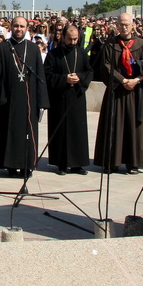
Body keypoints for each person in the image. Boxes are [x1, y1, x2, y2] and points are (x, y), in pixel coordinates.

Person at [93, 13, 143, 174]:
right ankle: (112, 161)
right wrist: (122, 81)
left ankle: (133, 163)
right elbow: (105, 67)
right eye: (121, 24)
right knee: (114, 125)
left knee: (133, 127)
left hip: (136, 92)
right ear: (116, 25)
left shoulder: (142, 44)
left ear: (133, 25)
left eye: (127, 24)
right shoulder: (110, 44)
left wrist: (136, 80)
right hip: (117, 91)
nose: (124, 27)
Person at [0, 16, 49, 178]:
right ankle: (9, 165)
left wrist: (42, 101)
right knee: (8, 132)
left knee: (27, 134)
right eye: (16, 26)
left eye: (22, 26)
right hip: (8, 99)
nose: (19, 29)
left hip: (29, 100)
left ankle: (26, 165)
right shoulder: (2, 48)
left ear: (27, 28)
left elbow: (40, 75)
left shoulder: (33, 48)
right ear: (11, 27)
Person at [44, 25, 92, 175]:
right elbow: (47, 75)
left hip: (76, 97)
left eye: (75, 39)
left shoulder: (82, 53)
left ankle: (78, 164)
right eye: (70, 39)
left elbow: (89, 72)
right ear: (63, 37)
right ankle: (61, 164)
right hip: (59, 97)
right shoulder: (53, 54)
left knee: (78, 130)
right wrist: (64, 79)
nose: (72, 42)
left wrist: (79, 78)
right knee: (61, 131)